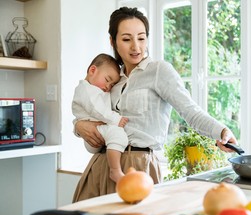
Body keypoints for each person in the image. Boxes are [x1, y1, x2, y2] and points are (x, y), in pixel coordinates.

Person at [72, 7, 238, 202]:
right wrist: (78, 126)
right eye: (126, 39)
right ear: (112, 41)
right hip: (100, 164)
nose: (136, 46)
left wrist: (221, 131)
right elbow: (87, 107)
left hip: (138, 167)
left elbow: (189, 110)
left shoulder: (159, 71)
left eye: (141, 38)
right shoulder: (112, 77)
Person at [72, 53, 129, 183]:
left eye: (112, 84)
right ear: (92, 70)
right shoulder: (86, 89)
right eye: (107, 80)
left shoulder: (96, 89)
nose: (108, 87)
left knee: (116, 134)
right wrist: (116, 119)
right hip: (93, 133)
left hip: (96, 133)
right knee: (118, 133)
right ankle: (115, 170)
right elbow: (96, 109)